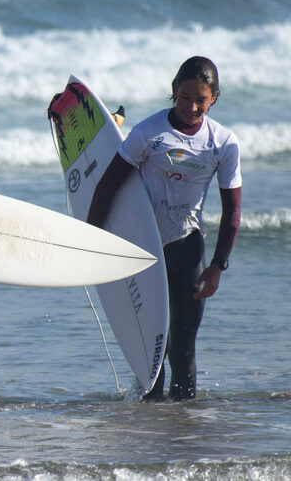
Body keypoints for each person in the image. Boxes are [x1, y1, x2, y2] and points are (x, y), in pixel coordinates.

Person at [86, 57, 242, 401]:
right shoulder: (148, 133)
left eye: (201, 99)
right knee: (152, 350)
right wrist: (91, 240)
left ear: (214, 97)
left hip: (187, 249)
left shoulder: (223, 143)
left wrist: (218, 266)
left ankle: (181, 430)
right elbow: (108, 185)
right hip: (145, 247)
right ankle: (149, 430)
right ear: (174, 92)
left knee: (183, 349)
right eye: (185, 97)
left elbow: (232, 210)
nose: (192, 106)